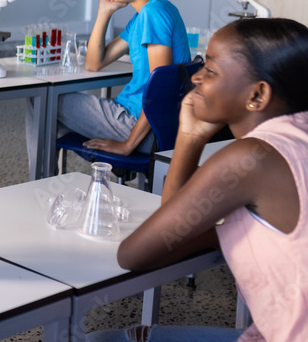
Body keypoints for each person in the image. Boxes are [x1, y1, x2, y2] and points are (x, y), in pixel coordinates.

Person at [88, 18, 308, 342]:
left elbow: (134, 254)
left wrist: (189, 138)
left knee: (103, 340)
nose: (196, 77)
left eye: (212, 71)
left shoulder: (250, 159)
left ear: (258, 95)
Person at [28, 0, 190, 173]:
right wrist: (104, 12)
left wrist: (127, 145)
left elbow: (161, 91)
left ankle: (40, 182)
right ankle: (47, 178)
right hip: (138, 118)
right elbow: (95, 63)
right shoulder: (150, 13)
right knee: (50, 115)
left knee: (42, 102)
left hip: (139, 125)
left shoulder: (152, 16)